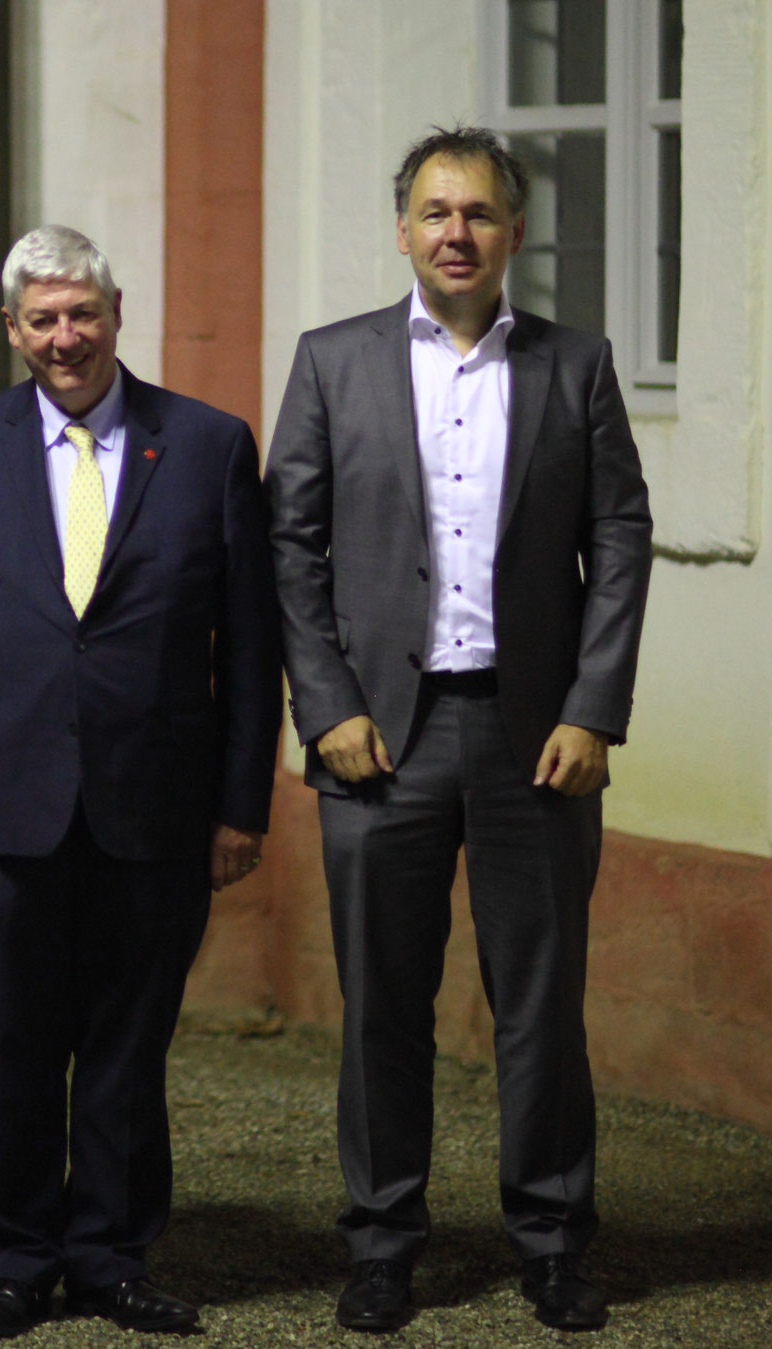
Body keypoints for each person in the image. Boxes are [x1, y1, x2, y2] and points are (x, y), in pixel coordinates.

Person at [267, 126, 653, 1334]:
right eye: (433, 213)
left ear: (513, 234)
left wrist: (592, 705)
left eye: (478, 214)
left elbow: (620, 539)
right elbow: (288, 544)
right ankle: (382, 1241)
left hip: (532, 738)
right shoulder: (331, 363)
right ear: (400, 230)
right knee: (384, 1000)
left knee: (538, 1001)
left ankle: (548, 1238)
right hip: (378, 738)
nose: (454, 234)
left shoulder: (571, 367)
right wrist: (323, 704)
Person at [0, 226, 280, 1339]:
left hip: (154, 801)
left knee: (125, 1042)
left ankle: (110, 1257)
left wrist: (237, 804)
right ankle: (14, 1258)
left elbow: (248, 647)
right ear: (11, 331)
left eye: (83, 314)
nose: (65, 337)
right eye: (42, 319)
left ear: (116, 315)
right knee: (14, 1041)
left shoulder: (205, 445)